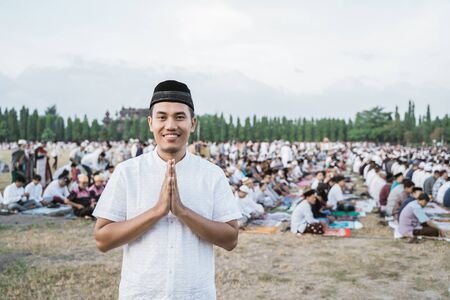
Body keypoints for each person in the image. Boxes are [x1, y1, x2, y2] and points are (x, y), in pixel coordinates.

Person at [93, 80, 242, 299]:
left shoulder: (211, 175)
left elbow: (230, 239)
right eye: (162, 117)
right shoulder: (128, 172)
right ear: (151, 122)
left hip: (195, 294)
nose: (170, 125)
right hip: (141, 293)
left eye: (179, 117)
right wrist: (157, 211)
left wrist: (182, 212)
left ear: (192, 123)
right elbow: (102, 240)